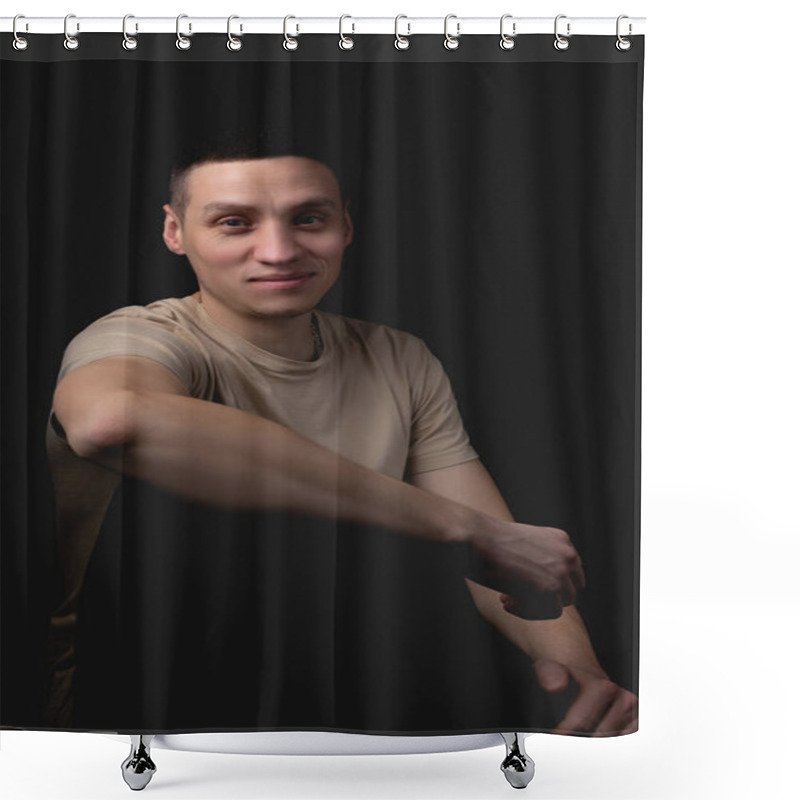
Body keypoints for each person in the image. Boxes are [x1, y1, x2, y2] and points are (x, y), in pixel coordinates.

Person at [45, 145, 637, 735]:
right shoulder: (143, 336)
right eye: (234, 222)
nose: (279, 252)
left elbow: (506, 563)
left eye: (308, 219)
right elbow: (111, 420)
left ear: (345, 225)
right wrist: (468, 531)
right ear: (175, 232)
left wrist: (582, 674)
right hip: (144, 718)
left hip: (352, 705)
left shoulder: (399, 358)